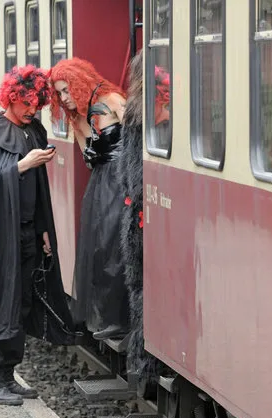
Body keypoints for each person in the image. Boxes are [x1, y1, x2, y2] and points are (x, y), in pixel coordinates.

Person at [0, 65, 66, 406]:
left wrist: (42, 231)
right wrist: (24, 164)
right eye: (25, 102)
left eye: (36, 103)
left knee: (20, 302)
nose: (30, 110)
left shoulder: (33, 130)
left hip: (25, 232)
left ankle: (7, 375)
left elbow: (38, 191)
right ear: (10, 97)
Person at [49, 57, 129, 340]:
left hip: (123, 179)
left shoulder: (113, 100)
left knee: (115, 245)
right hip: (102, 184)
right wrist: (91, 151)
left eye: (67, 90)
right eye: (59, 93)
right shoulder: (77, 118)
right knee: (100, 248)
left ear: (80, 84)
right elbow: (88, 160)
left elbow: (139, 138)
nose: (64, 98)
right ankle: (110, 318)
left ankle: (121, 318)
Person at [117, 53, 162, 378]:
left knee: (139, 289)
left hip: (134, 219)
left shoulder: (131, 114)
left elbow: (126, 177)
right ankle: (147, 361)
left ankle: (141, 359)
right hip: (145, 218)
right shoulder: (157, 116)